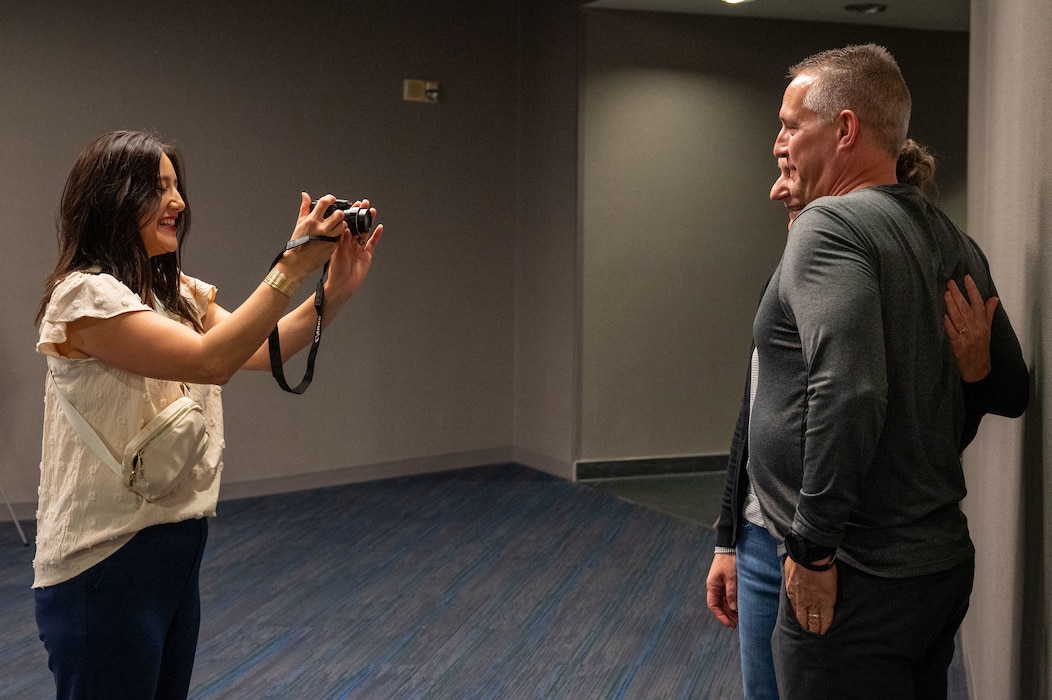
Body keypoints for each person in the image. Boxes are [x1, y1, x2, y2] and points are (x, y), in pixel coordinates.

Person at [32, 130, 384, 698]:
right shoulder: (84, 298)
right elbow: (210, 361)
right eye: (160, 189)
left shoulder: (175, 295)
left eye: (177, 188)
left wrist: (333, 292)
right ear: (115, 199)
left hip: (171, 555)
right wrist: (291, 266)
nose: (179, 204)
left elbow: (265, 349)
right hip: (101, 568)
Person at [747, 44, 1027, 699]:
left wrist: (813, 549)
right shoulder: (949, 236)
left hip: (855, 576)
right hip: (935, 570)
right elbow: (1010, 390)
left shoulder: (829, 225)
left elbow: (851, 390)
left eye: (791, 126)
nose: (778, 143)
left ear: (845, 130)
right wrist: (975, 371)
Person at [706, 141, 982, 700]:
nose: (778, 188)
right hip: (764, 539)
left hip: (830, 552)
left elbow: (872, 407)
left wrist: (811, 549)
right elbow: (757, 409)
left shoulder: (866, 269)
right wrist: (728, 539)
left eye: (788, 171)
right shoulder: (793, 271)